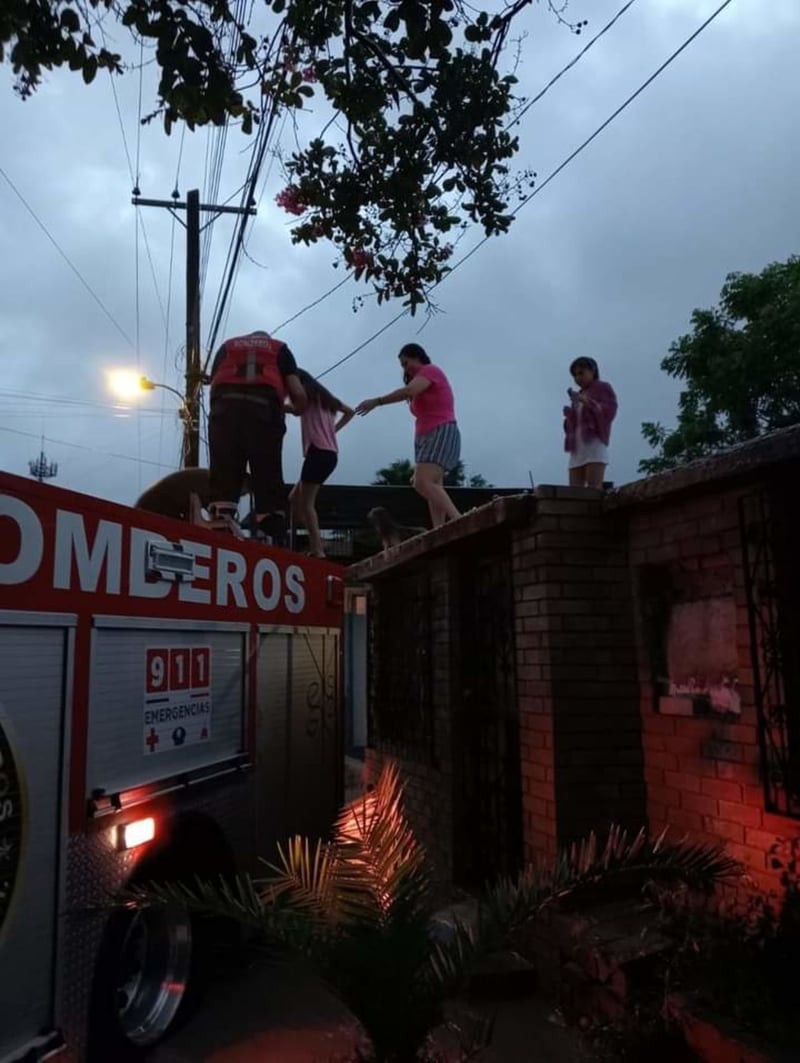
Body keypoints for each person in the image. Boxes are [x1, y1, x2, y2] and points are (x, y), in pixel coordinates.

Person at [207, 329, 307, 542]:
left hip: (224, 411)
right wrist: (296, 408)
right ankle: (271, 529)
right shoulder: (280, 349)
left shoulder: (227, 346)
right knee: (267, 474)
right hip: (264, 412)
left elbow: (214, 383)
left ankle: (220, 525)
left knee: (224, 476)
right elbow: (298, 393)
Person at [356, 343, 461, 528]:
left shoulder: (430, 371)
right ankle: (439, 528)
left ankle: (457, 520)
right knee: (434, 484)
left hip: (440, 429)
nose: (405, 369)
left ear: (416, 356)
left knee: (421, 482)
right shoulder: (420, 380)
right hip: (425, 435)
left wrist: (377, 401)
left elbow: (408, 391)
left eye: (406, 363)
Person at [286, 369, 354, 558]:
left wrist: (274, 402)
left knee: (307, 503)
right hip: (330, 454)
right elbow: (350, 412)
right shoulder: (326, 399)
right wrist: (333, 430)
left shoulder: (304, 396)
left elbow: (293, 409)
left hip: (317, 452)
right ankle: (315, 538)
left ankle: (318, 549)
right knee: (294, 498)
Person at [563, 356, 618, 489]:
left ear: (592, 371)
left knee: (593, 488)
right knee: (574, 491)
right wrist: (570, 415)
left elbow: (608, 411)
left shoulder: (603, 388)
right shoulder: (579, 394)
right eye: (575, 375)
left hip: (593, 443)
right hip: (577, 447)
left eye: (581, 373)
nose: (577, 378)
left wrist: (586, 401)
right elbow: (574, 425)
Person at [135, 468, 250, 523]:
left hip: (151, 506)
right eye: (245, 491)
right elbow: (219, 519)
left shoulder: (212, 479)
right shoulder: (218, 486)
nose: (243, 495)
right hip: (154, 508)